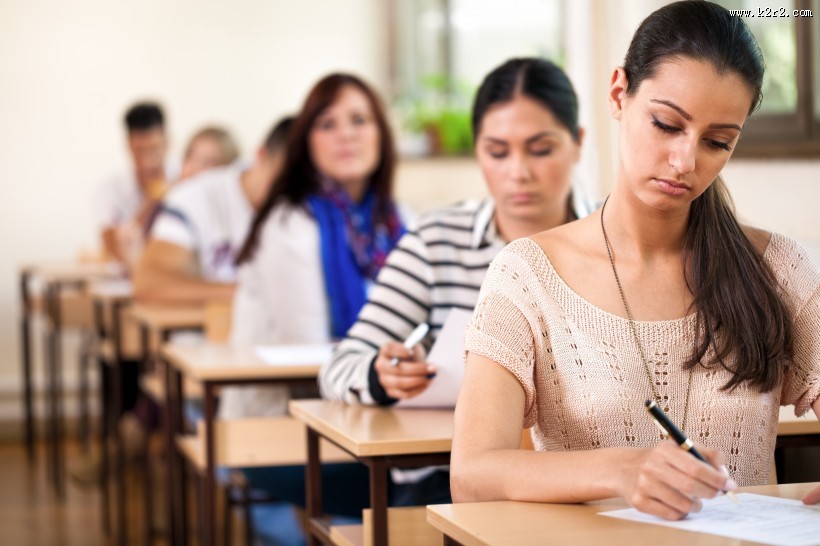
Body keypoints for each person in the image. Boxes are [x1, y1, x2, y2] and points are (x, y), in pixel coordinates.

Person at [451, 0, 820, 521]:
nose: (685, 161)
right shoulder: (528, 276)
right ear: (619, 93)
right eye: (667, 124)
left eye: (717, 142)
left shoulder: (775, 267)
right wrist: (621, 470)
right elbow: (472, 474)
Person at [319, 57, 594, 507]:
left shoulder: (614, 238)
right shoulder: (435, 240)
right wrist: (381, 374)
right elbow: (339, 367)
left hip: (585, 481)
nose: (518, 172)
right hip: (448, 483)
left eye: (540, 149)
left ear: (578, 143)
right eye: (497, 151)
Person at [222, 73, 405, 544]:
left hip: (371, 414)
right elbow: (308, 352)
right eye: (327, 124)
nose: (346, 134)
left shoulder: (394, 222)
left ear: (381, 134)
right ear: (307, 141)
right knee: (431, 486)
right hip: (280, 429)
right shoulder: (292, 223)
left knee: (444, 476)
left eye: (359, 120)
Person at [133, 118, 290, 305]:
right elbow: (150, 283)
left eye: (209, 162)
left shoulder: (309, 212)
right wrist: (253, 295)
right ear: (261, 156)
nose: (195, 169)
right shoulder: (189, 199)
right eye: (191, 158)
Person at [95, 101, 178, 263]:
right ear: (128, 146)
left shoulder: (185, 180)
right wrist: (152, 201)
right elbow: (114, 249)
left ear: (168, 143)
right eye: (139, 150)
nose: (147, 161)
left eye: (154, 149)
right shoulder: (108, 190)